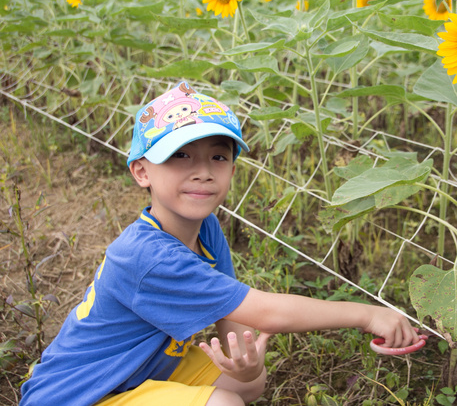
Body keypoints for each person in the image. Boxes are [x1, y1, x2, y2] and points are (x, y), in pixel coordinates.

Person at [20, 82, 420, 406]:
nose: (202, 172)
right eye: (180, 155)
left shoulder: (206, 229)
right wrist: (367, 315)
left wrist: (244, 368)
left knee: (247, 384)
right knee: (224, 405)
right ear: (141, 171)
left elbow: (238, 332)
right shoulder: (147, 256)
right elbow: (266, 312)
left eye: (217, 157)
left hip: (137, 371)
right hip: (77, 395)